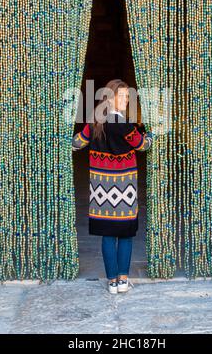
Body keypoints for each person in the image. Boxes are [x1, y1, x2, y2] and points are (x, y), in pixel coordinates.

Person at [72, 79, 153, 294]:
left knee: (108, 236)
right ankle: (124, 280)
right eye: (123, 96)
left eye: (128, 97)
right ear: (111, 97)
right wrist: (151, 135)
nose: (126, 100)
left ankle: (112, 282)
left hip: (101, 191)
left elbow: (77, 143)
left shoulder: (96, 122)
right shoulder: (126, 126)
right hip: (124, 191)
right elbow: (142, 145)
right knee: (125, 235)